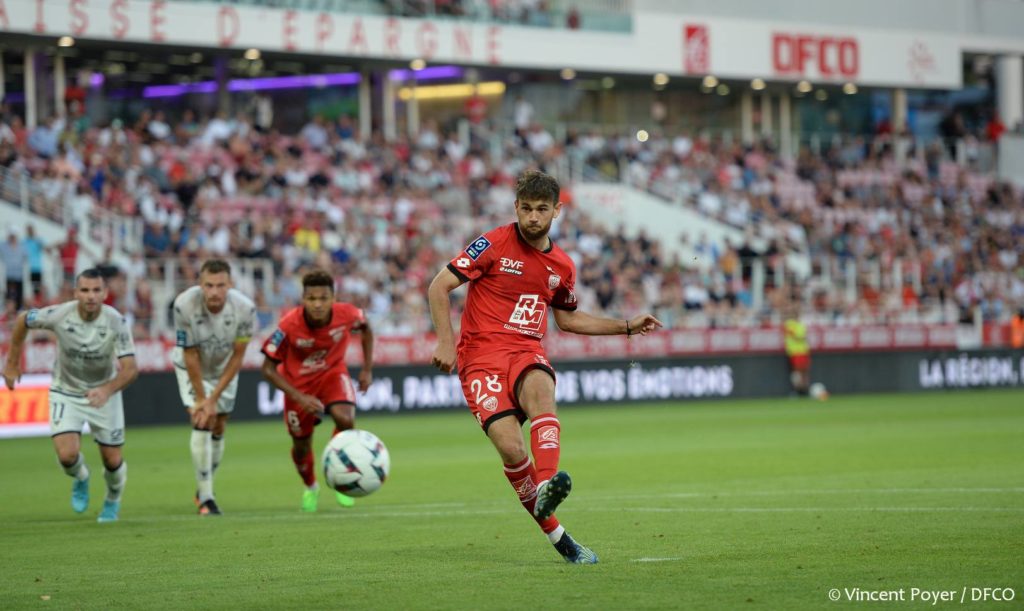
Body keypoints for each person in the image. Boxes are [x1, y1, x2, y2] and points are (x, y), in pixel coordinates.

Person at [427, 170, 662, 564]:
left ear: (557, 210)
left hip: (524, 350)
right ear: (515, 208)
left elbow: (568, 320)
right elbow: (439, 286)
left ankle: (548, 481)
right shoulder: (492, 243)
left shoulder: (562, 266)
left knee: (540, 390)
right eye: (526, 209)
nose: (533, 217)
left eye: (541, 209)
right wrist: (445, 342)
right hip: (480, 357)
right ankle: (561, 539)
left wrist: (625, 326)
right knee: (511, 447)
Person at [3, 268, 138, 522]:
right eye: (85, 290)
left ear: (105, 293)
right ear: (76, 293)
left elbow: (130, 369)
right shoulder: (60, 314)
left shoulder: (116, 321)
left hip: (103, 393)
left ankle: (112, 500)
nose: (90, 296)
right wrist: (12, 362)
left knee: (112, 460)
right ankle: (81, 477)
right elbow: (23, 319)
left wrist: (107, 390)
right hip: (66, 390)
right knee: (67, 456)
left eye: (96, 290)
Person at [260, 269, 375, 512]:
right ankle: (311, 486)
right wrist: (300, 397)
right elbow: (267, 369)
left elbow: (366, 329)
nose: (318, 304)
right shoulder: (289, 325)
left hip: (333, 373)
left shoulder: (348, 313)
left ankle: (339, 475)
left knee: (346, 419)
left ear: (333, 298)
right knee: (301, 446)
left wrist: (366, 369)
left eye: (323, 298)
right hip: (298, 386)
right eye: (312, 299)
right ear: (303, 300)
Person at [172, 259, 257, 516]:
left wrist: (214, 397)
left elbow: (238, 356)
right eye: (209, 285)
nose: (215, 292)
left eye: (221, 285)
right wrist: (202, 399)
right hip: (192, 368)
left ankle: (203, 486)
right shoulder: (183, 305)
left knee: (219, 426)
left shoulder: (245, 309)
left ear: (229, 285)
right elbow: (190, 354)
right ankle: (207, 497)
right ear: (200, 284)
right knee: (202, 420)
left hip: (223, 370)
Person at [783, 305, 810, 396]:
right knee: (797, 372)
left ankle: (804, 390)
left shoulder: (799, 325)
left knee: (803, 372)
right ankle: (798, 390)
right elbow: (800, 337)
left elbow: (801, 337)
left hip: (801, 351)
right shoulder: (790, 324)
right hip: (795, 352)